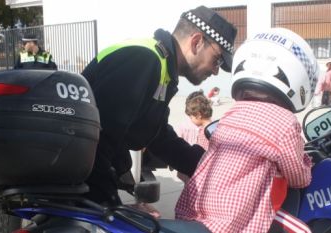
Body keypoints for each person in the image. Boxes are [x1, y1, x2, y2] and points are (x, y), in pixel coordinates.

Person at [80, 5, 236, 208]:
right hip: (76, 172)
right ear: (197, 42)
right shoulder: (144, 60)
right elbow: (100, 137)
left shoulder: (161, 67)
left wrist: (209, 165)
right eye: (217, 60)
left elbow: (158, 136)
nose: (215, 72)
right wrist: (112, 207)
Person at [175, 27, 315, 233]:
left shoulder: (234, 111)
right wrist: (307, 162)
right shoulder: (285, 122)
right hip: (233, 222)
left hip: (195, 210)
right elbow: (298, 178)